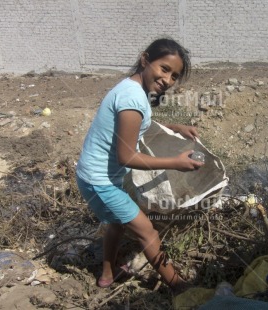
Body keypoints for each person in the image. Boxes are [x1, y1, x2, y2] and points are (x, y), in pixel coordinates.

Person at [76, 38, 203, 292]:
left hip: (97, 176)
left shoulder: (132, 89)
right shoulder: (132, 98)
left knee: (117, 223)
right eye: (164, 69)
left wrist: (174, 128)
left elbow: (136, 129)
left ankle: (107, 275)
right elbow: (127, 157)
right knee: (148, 232)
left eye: (174, 76)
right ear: (145, 59)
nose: (167, 80)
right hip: (99, 181)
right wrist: (175, 163)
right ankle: (179, 287)